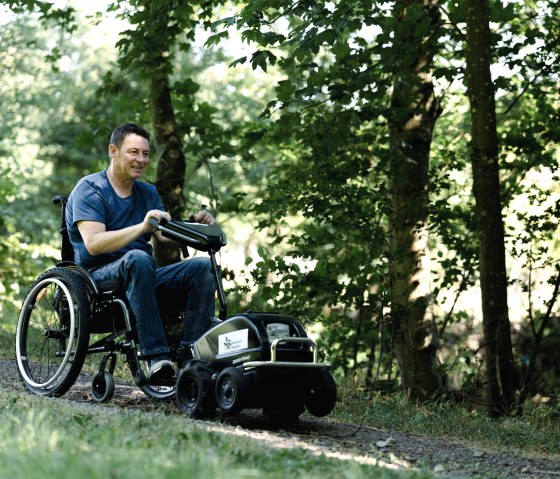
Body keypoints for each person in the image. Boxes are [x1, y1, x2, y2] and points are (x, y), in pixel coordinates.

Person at [66, 122, 216, 383]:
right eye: (133, 152)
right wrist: (142, 226)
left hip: (143, 273)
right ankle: (156, 357)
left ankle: (193, 357)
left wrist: (195, 226)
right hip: (98, 278)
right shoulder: (90, 189)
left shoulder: (148, 193)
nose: (141, 159)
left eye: (145, 154)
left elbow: (164, 236)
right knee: (138, 258)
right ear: (113, 151)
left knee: (202, 267)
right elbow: (94, 244)